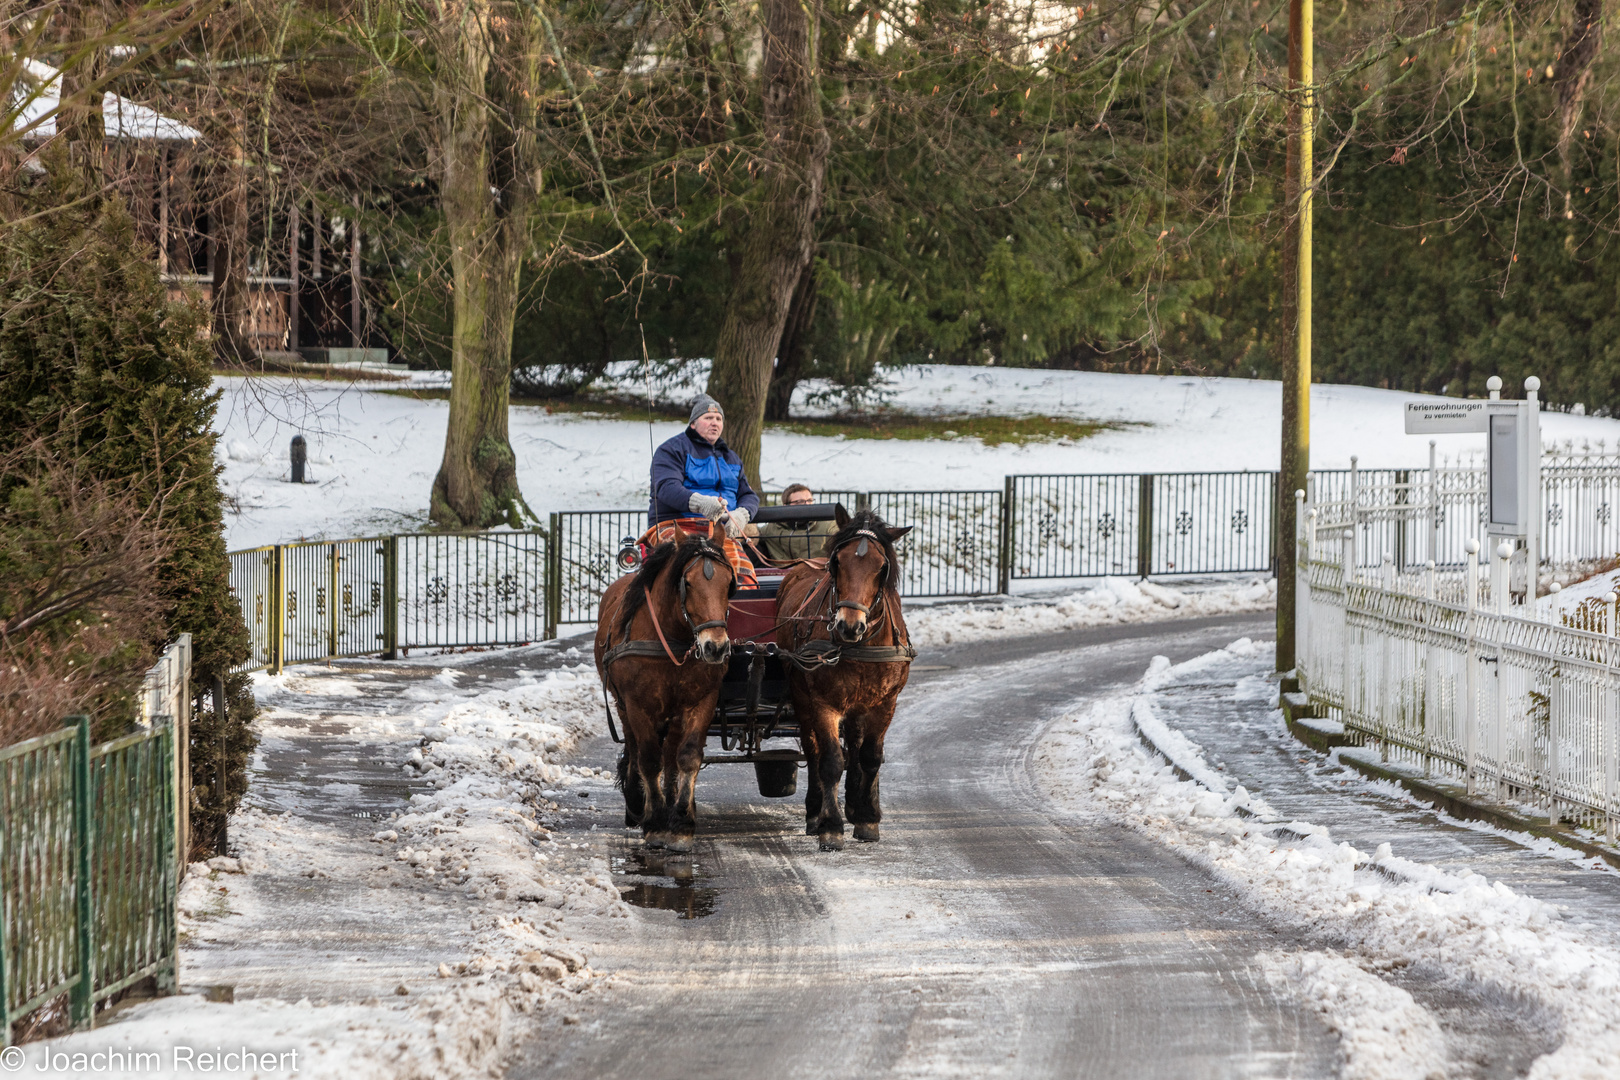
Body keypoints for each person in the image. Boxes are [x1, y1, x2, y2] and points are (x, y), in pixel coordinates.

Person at [646, 394, 760, 580]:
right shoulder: (672, 450)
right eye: (708, 418)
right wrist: (700, 503)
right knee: (688, 574)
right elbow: (666, 487)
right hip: (676, 526)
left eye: (718, 419)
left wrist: (743, 514)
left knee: (743, 575)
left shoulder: (731, 458)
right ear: (693, 423)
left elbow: (749, 495)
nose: (714, 423)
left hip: (717, 531)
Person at [755, 483, 838, 562]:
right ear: (785, 506)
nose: (807, 505)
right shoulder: (772, 528)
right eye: (799, 502)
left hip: (817, 574)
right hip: (781, 575)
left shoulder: (827, 526)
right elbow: (752, 535)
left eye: (809, 500)